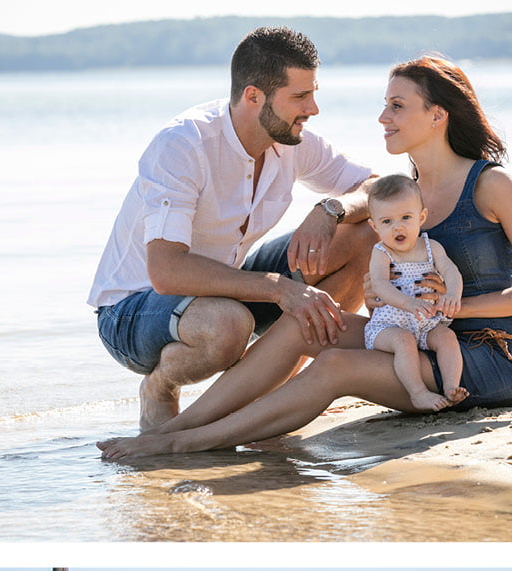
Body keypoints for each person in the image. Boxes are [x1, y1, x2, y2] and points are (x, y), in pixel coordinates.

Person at [99, 54, 512, 461]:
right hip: (414, 341)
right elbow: (379, 233)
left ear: (437, 115)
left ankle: (185, 442)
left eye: (397, 106)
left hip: (487, 357)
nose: (382, 117)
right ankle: (174, 429)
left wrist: (455, 307)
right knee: (308, 322)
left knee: (335, 366)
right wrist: (378, 289)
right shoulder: (407, 194)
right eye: (385, 104)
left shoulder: (490, 185)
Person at [89, 26, 378, 430]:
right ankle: (160, 387)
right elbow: (166, 271)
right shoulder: (183, 145)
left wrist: (330, 209)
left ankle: (277, 382)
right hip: (133, 309)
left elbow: (380, 189)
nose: (313, 109)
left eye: (313, 93)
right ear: (253, 96)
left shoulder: (292, 141)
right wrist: (280, 289)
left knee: (364, 235)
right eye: (299, 96)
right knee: (227, 326)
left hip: (227, 287)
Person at [362, 173, 467, 411]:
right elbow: (380, 284)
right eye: (387, 221)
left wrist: (452, 294)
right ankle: (418, 393)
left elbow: (451, 271)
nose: (397, 227)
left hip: (426, 323)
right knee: (404, 340)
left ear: (421, 217)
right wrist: (408, 303)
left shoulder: (431, 247)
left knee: (447, 338)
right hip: (388, 326)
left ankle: (452, 387)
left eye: (406, 217)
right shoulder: (381, 252)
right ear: (374, 226)